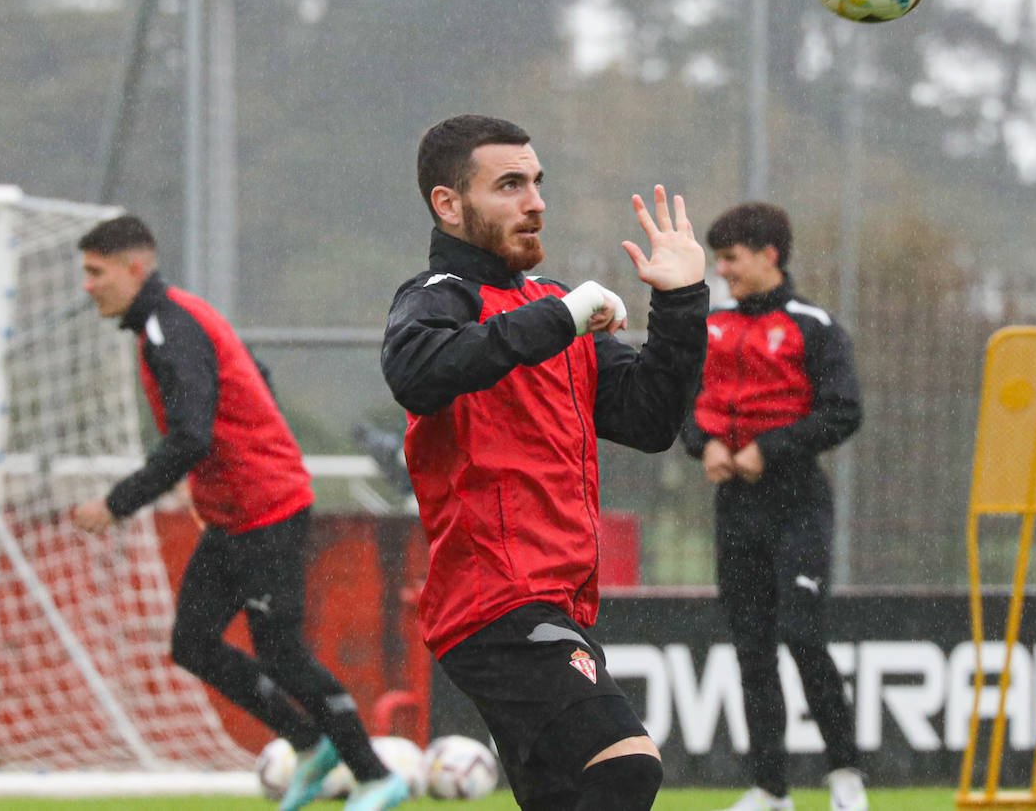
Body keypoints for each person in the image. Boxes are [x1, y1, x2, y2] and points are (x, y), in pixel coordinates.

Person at [379, 114, 708, 811]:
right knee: (625, 768)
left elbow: (650, 421)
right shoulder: (438, 296)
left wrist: (679, 304)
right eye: (508, 185)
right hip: (495, 604)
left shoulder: (550, 303)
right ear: (448, 204)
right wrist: (563, 317)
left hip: (555, 602)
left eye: (536, 183)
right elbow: (418, 372)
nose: (535, 202)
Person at [71, 215, 407, 811]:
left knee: (281, 651)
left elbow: (190, 437)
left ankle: (377, 775)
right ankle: (310, 746)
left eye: (95, 272)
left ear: (134, 268)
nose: (88, 286)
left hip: (265, 510)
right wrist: (235, 466)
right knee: (193, 643)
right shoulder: (170, 319)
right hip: (234, 511)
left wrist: (116, 503)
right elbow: (255, 378)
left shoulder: (171, 328)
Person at [679, 202, 866, 811]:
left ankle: (845, 775)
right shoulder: (710, 327)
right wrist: (702, 444)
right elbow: (683, 402)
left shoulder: (814, 326)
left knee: (803, 635)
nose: (723, 271)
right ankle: (771, 789)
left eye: (730, 259)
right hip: (736, 506)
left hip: (798, 503)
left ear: (769, 255)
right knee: (752, 647)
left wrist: (772, 449)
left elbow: (843, 411)